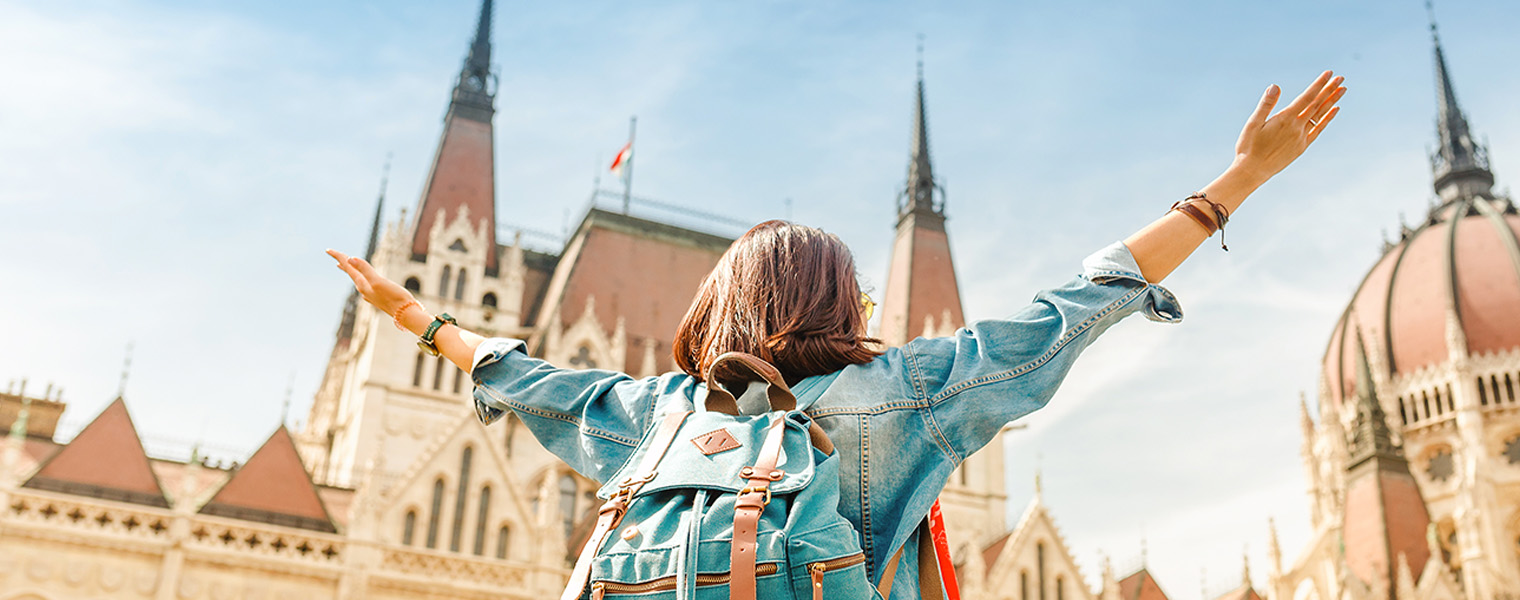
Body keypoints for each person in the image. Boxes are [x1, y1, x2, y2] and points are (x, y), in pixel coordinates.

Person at [329, 70, 1344, 599]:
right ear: (847, 307)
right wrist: (1239, 181)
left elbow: (515, 372)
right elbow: (1076, 305)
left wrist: (415, 316)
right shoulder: (903, 393)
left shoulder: (652, 413)